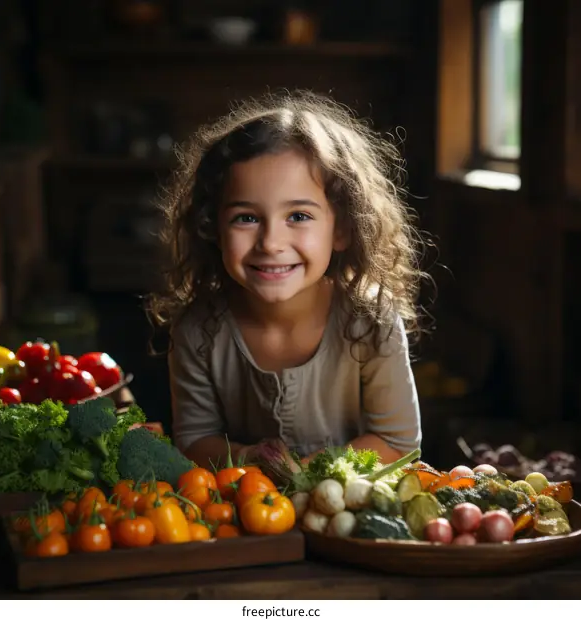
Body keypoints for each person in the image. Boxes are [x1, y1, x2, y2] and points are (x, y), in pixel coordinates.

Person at [147, 91, 428, 471]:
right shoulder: (197, 329)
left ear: (343, 228)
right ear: (212, 227)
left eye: (298, 216)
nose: (271, 243)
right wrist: (250, 458)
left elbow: (398, 442)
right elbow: (195, 440)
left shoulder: (372, 321)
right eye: (246, 218)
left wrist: (315, 470)